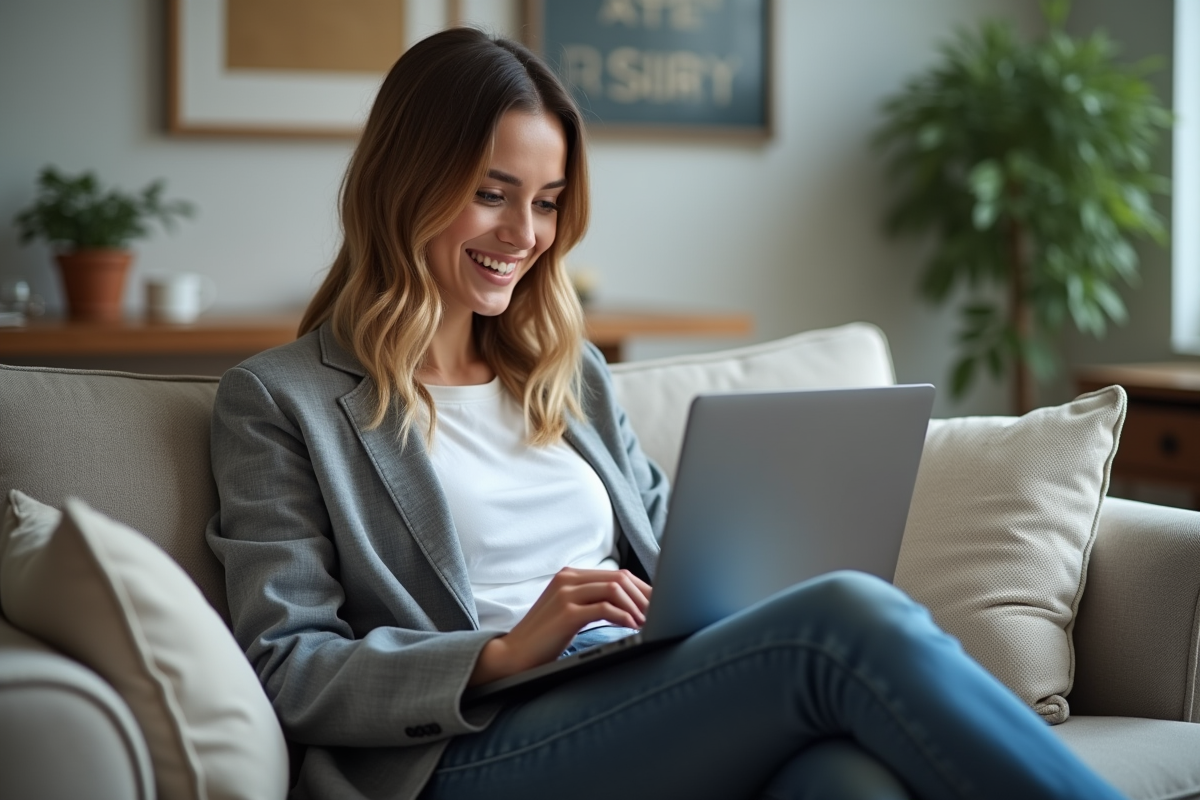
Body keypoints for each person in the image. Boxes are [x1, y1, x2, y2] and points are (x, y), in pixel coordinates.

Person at [206, 27, 1127, 800]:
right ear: (403, 183)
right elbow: (291, 664)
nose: (524, 236)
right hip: (468, 745)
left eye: (548, 203)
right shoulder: (282, 400)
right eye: (492, 194)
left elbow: (671, 551)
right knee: (846, 617)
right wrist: (506, 648)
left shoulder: (568, 377)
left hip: (631, 687)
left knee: (845, 780)